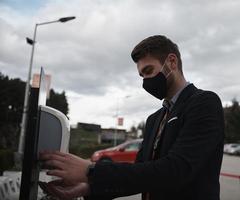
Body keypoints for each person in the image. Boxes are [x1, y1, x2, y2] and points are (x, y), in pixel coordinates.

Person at [40, 35, 225, 200]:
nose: (145, 81)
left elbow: (176, 170)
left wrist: (90, 171)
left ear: (172, 62)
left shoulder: (204, 103)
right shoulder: (154, 119)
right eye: (141, 75)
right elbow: (141, 174)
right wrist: (87, 189)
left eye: (149, 70)